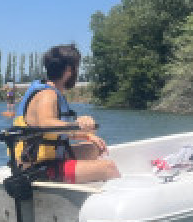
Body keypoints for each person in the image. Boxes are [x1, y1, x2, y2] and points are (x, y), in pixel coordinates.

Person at [12, 44, 120, 183]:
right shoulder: (47, 94)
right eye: (76, 68)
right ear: (69, 70)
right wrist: (77, 125)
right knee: (109, 168)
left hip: (46, 159)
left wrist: (86, 135)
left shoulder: (49, 90)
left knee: (94, 149)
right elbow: (45, 123)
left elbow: (48, 132)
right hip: (36, 169)